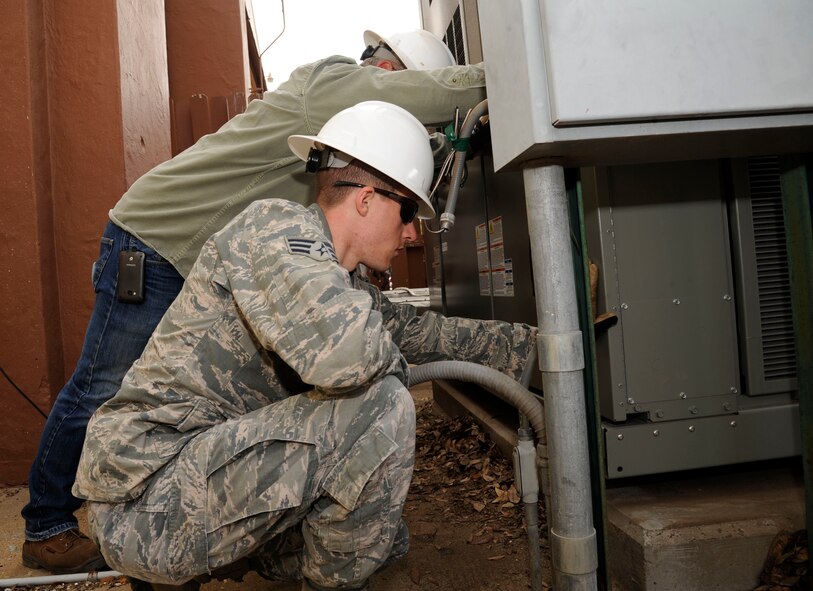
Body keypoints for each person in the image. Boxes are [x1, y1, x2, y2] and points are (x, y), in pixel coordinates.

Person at [21, 29, 487, 574]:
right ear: (390, 74)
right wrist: (499, 80)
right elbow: (423, 102)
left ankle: (200, 512)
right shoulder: (333, 85)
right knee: (100, 387)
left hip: (200, 253)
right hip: (158, 240)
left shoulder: (339, 177)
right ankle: (48, 524)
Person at [72, 100, 536, 591]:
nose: (409, 231)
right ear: (365, 199)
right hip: (145, 500)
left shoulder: (338, 283)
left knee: (382, 534)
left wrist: (541, 345)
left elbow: (428, 334)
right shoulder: (275, 229)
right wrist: (391, 368)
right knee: (379, 408)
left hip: (199, 479)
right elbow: (348, 356)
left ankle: (237, 560)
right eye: (406, 212)